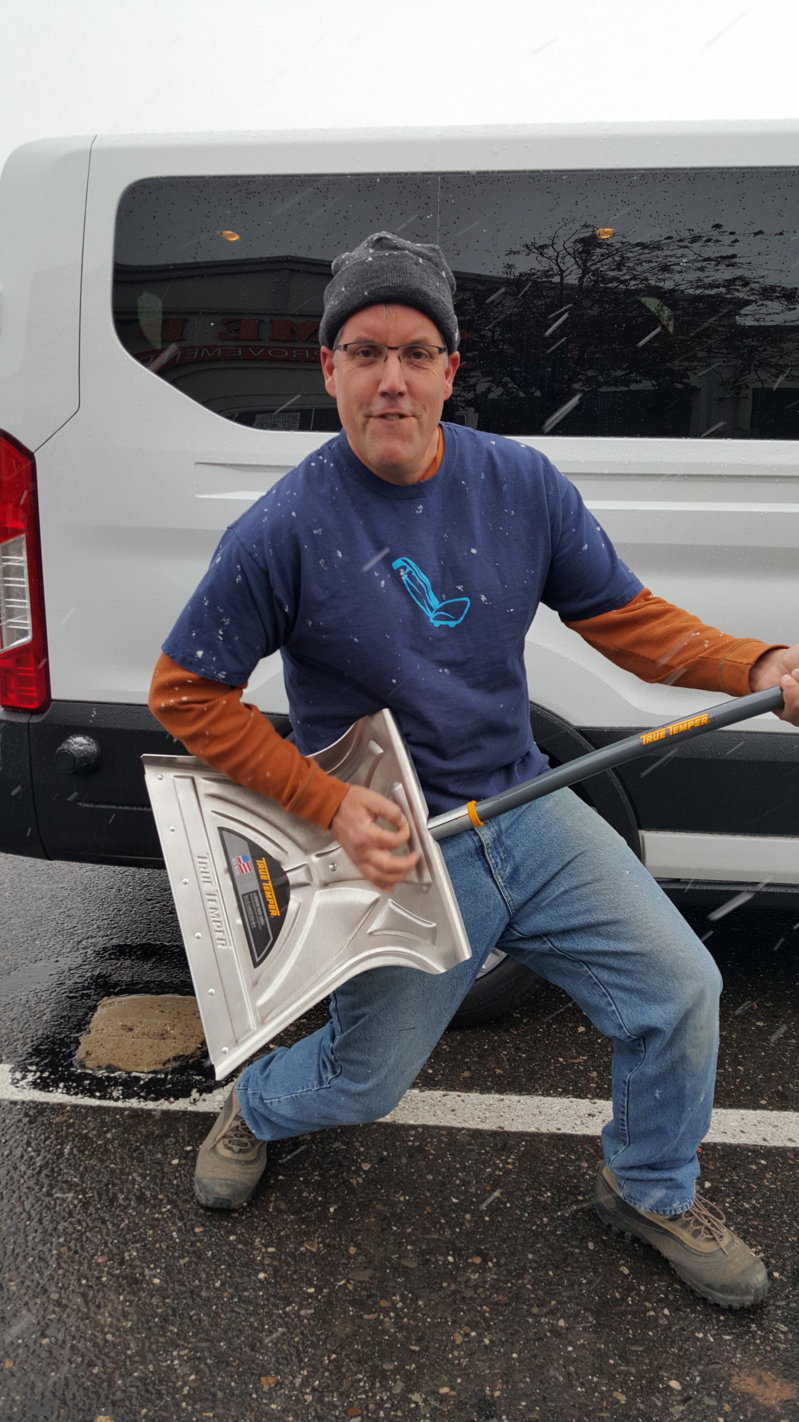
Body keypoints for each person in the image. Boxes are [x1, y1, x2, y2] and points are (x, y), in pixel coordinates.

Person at [149, 231, 799, 1309]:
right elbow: (186, 694)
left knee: (680, 990)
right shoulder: (284, 529)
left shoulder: (518, 482)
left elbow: (624, 619)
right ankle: (259, 1105)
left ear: (450, 369)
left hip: (526, 805)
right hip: (402, 846)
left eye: (415, 353)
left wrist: (757, 665)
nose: (391, 380)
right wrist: (327, 804)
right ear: (329, 369)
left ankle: (647, 1186)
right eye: (365, 352)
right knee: (362, 1083)